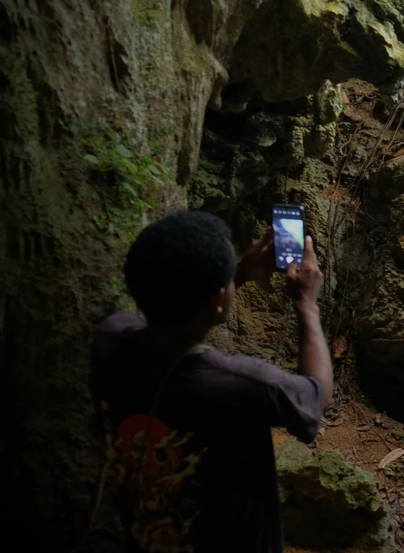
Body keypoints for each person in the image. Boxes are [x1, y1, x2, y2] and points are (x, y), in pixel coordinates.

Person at [88, 211, 332, 552]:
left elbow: (173, 299)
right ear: (218, 301)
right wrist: (307, 306)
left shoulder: (107, 340)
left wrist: (236, 274)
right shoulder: (241, 385)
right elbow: (313, 403)